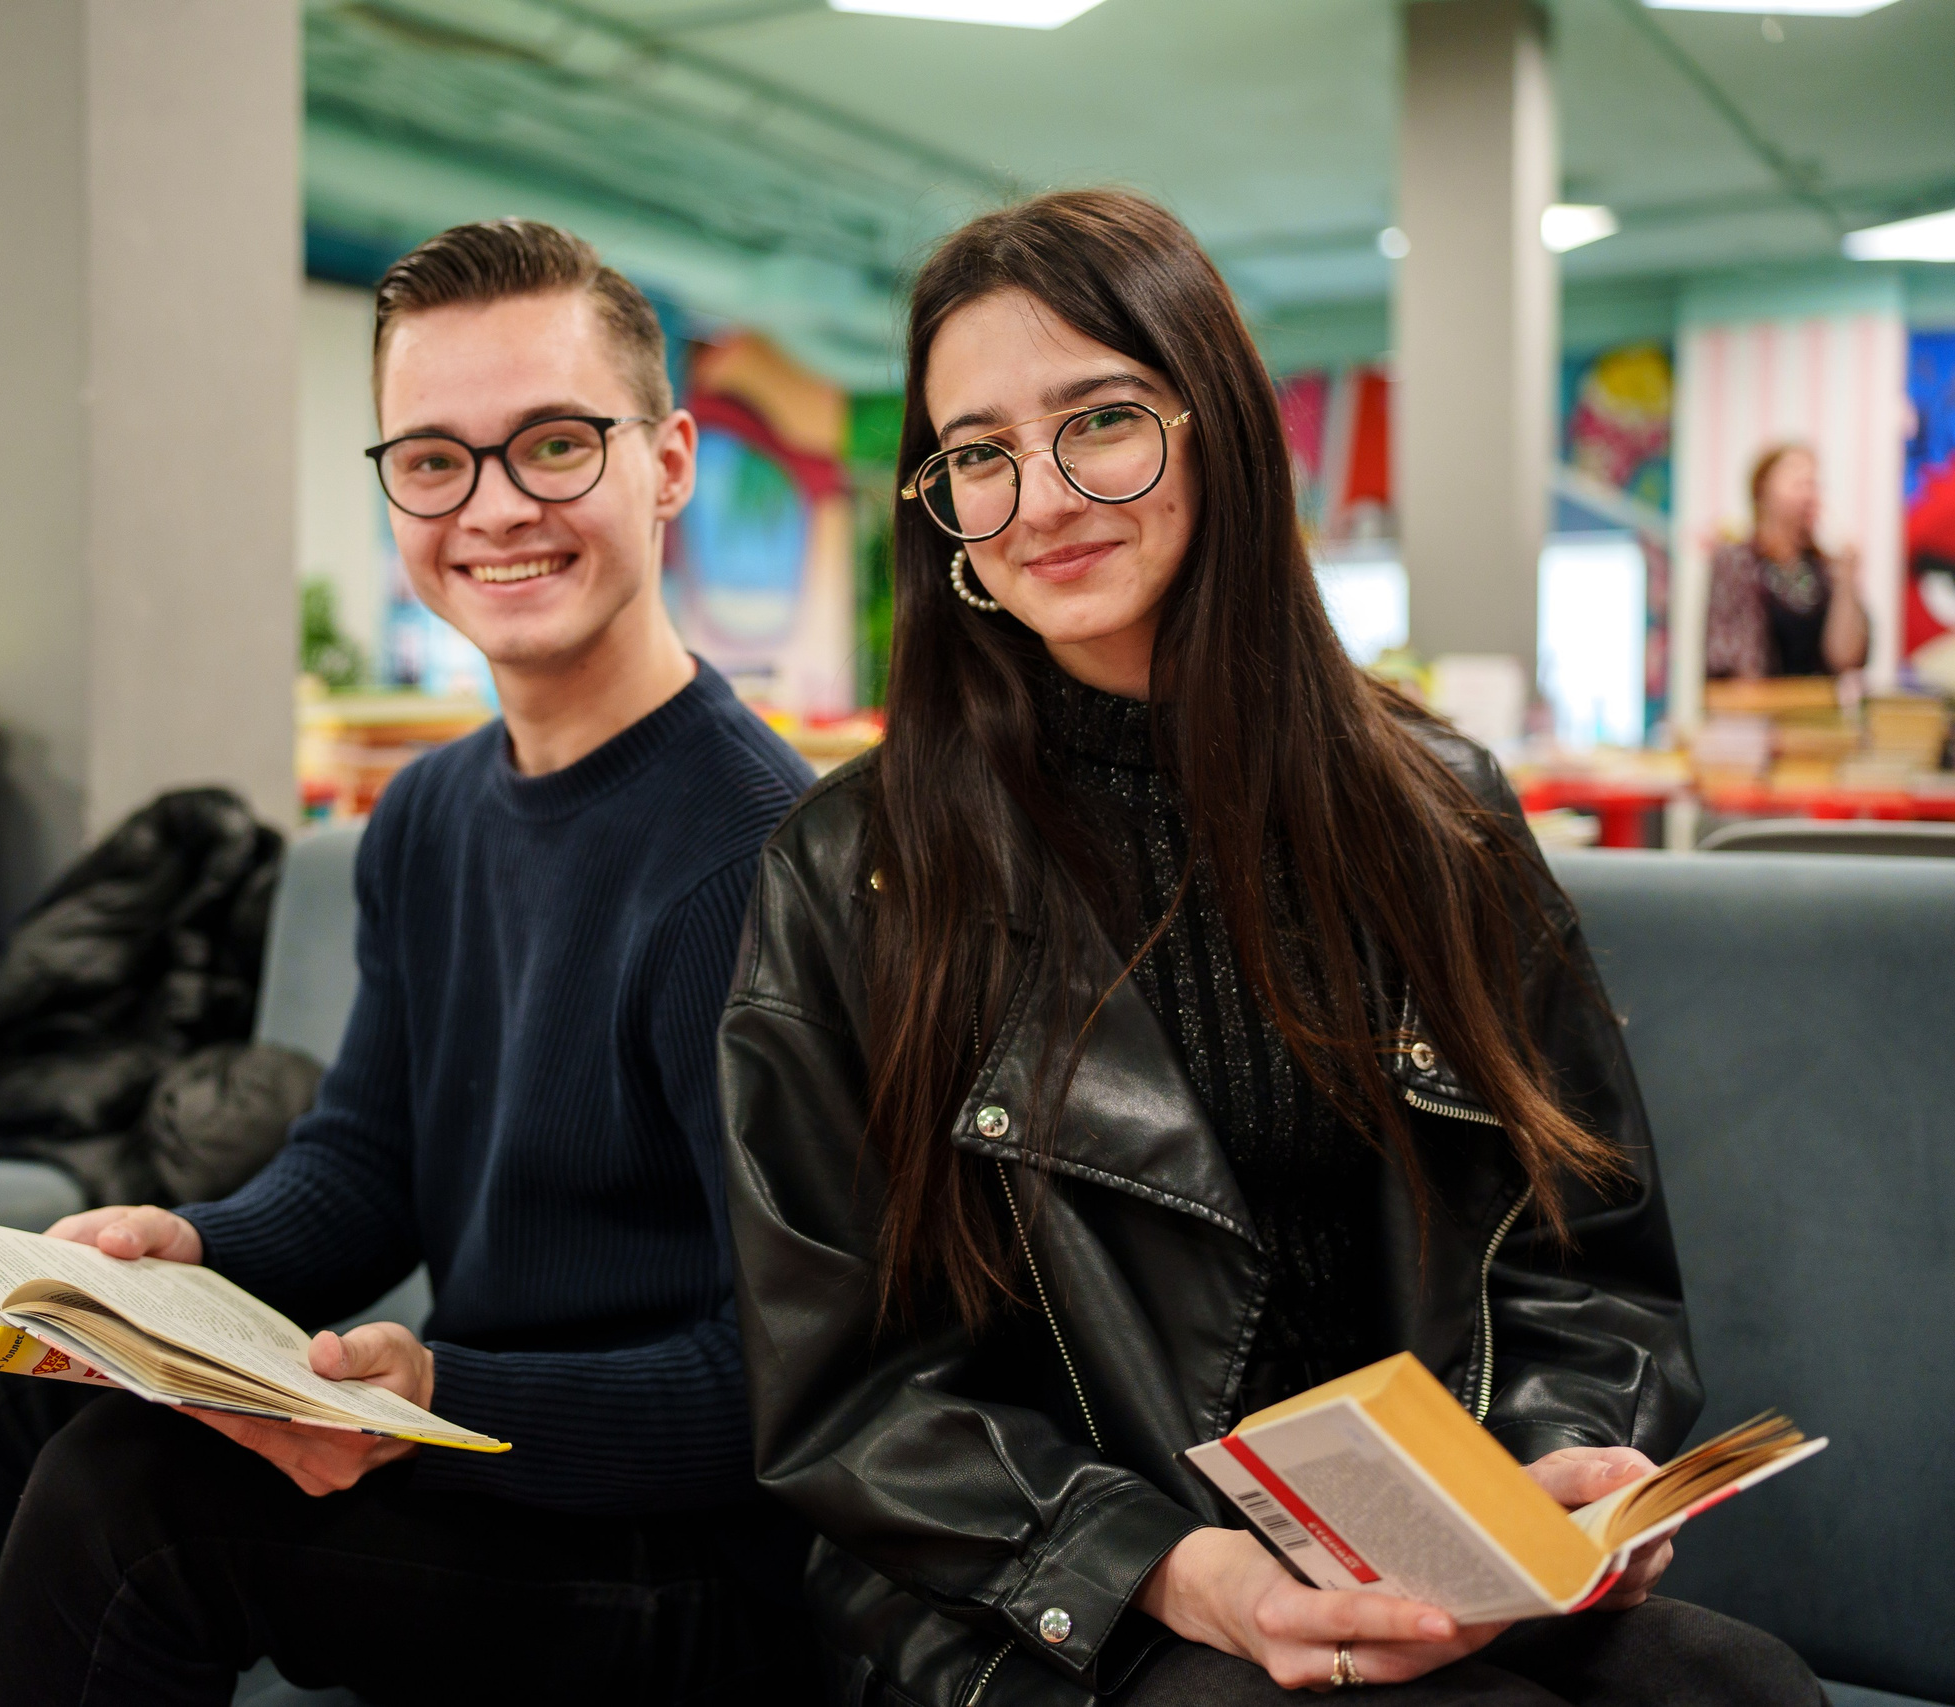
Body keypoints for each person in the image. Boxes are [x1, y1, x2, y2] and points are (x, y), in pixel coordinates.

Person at [717, 189, 1823, 1704]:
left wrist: (1539, 1471)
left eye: (1098, 421)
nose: (1039, 495)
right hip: (1054, 1589)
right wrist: (1187, 1573)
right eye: (977, 452)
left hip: (1418, 1550)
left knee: (1733, 1684)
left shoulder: (1437, 811)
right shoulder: (852, 869)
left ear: (1218, 424)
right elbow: (848, 1394)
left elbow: (1580, 1254)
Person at [0, 220, 819, 1707]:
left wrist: (442, 1388)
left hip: (684, 1552)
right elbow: (369, 1158)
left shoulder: (758, 860)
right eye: (432, 459)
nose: (493, 507)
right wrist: (191, 1250)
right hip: (484, 1453)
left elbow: (791, 1380)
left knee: (133, 1507)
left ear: (666, 462)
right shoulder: (426, 812)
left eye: (552, 442)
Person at [1706, 442, 1870, 681]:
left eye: (1812, 484)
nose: (1808, 491)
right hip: (1755, 713)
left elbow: (1845, 660)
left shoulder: (1822, 569)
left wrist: (1847, 581)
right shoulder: (1737, 560)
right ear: (1762, 489)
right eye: (1796, 480)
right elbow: (1731, 663)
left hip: (1816, 711)